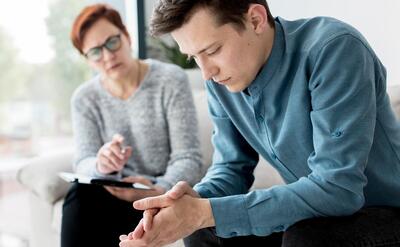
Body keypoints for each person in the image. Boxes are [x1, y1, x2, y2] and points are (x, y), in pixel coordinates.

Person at [118, 0, 400, 247]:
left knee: (310, 235)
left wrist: (204, 211)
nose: (206, 73)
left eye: (213, 50)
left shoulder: (334, 49)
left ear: (255, 19)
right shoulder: (222, 81)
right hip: (322, 216)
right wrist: (187, 203)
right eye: (194, 58)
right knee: (205, 230)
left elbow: (338, 189)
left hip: (387, 212)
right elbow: (231, 169)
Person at [60, 3, 204, 247]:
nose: (107, 56)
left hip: (157, 193)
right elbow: (83, 161)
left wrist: (156, 190)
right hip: (111, 193)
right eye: (95, 52)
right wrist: (102, 165)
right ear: (87, 59)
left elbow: (189, 158)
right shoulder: (85, 98)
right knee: (79, 195)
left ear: (126, 36)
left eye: (112, 42)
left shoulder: (170, 80)